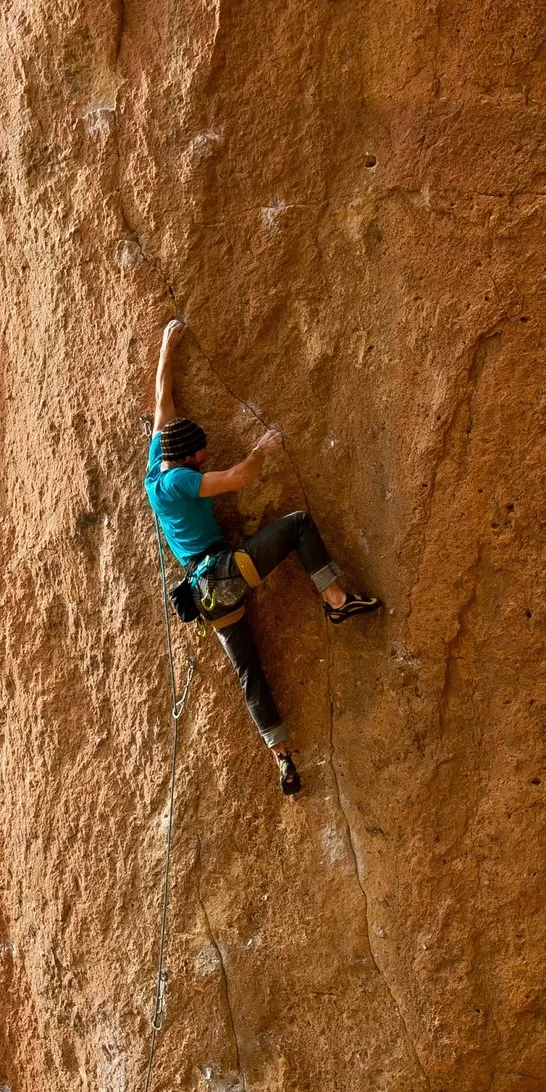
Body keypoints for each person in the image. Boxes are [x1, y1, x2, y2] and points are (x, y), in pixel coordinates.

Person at [144, 318, 379, 796]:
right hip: (226, 572)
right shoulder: (179, 482)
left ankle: (283, 758)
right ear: (186, 458)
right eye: (200, 455)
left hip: (206, 596)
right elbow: (236, 479)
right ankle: (336, 600)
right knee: (296, 525)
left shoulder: (157, 463)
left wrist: (168, 346)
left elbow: (162, 403)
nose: (205, 457)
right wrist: (261, 449)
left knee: (249, 670)